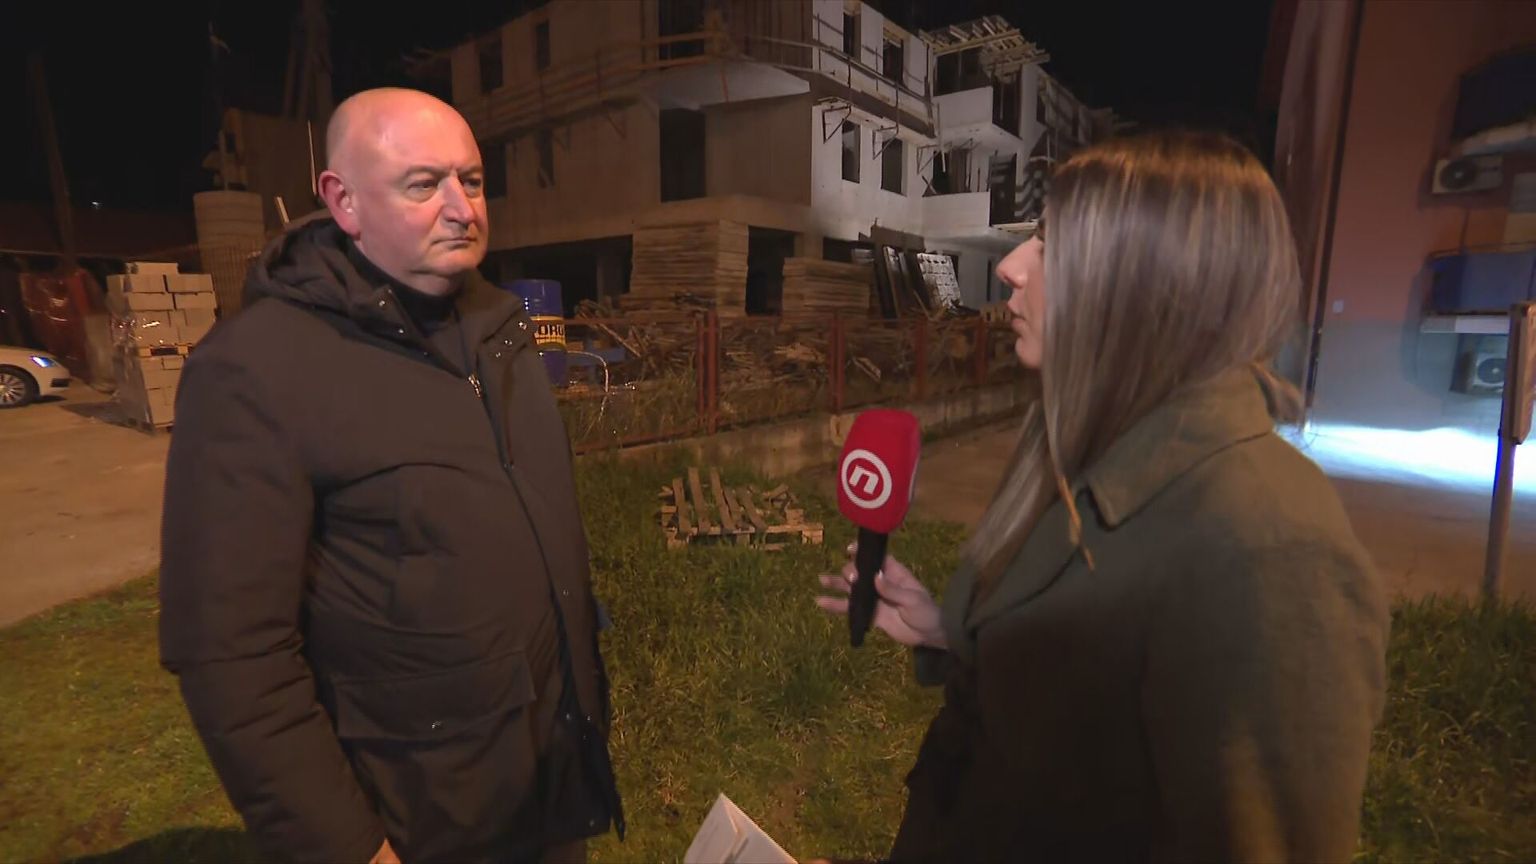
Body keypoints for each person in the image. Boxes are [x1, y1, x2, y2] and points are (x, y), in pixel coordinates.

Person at [817, 131, 1388, 861]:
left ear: (1156, 285)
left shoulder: (1271, 552)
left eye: (1053, 246)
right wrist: (949, 632)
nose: (1012, 267)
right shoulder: (1080, 443)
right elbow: (1081, 703)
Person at [159, 88, 622, 864]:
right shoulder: (256, 369)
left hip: (546, 793)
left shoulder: (502, 334)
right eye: (424, 184)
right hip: (418, 822)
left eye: (472, 181)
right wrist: (349, 848)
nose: (461, 209)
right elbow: (231, 655)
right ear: (343, 201)